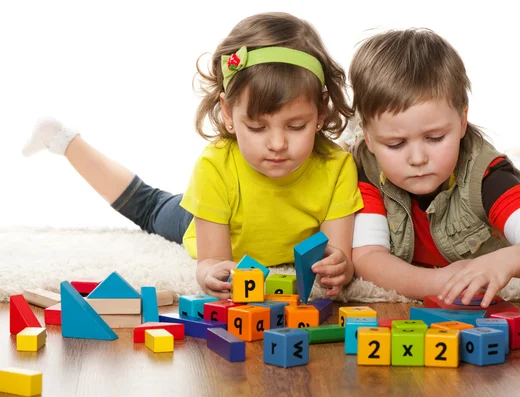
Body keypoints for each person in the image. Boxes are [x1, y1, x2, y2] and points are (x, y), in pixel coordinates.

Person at [23, 12, 363, 299]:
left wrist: (339, 267)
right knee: (149, 207)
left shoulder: (337, 167)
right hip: (207, 219)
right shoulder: (214, 165)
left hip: (234, 210)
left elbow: (336, 253)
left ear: (320, 112)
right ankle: (64, 140)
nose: (277, 144)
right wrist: (211, 272)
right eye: (257, 128)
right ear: (228, 113)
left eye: (295, 126)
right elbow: (212, 262)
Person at [346, 28, 520, 307]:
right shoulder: (366, 165)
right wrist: (438, 283)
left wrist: (508, 259)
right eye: (395, 144)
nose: (417, 158)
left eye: (435, 138)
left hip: (500, 182)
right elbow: (367, 257)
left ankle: (519, 163)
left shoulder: (488, 177)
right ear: (368, 137)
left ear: (463, 121)